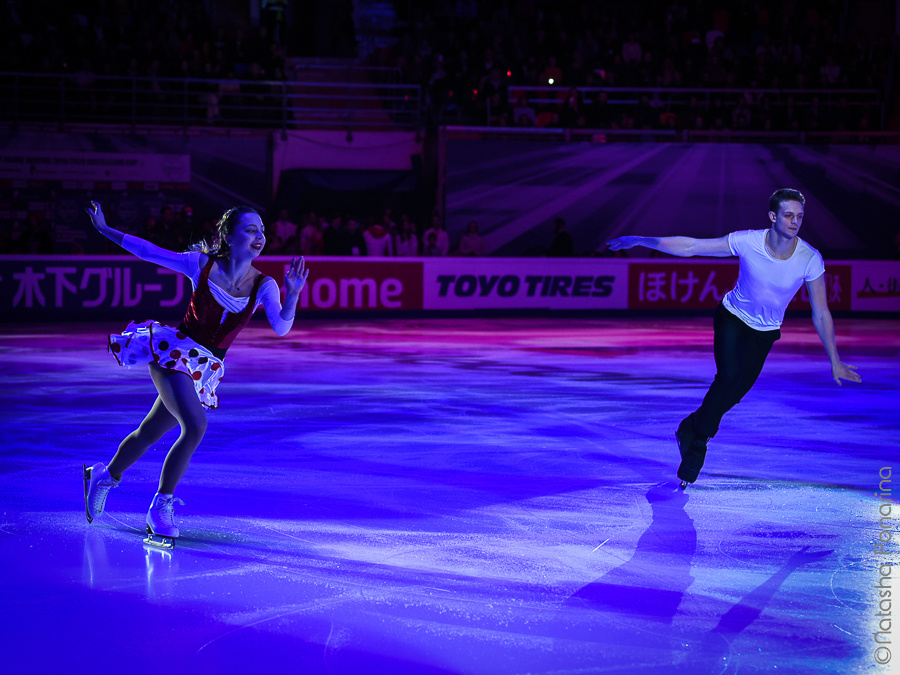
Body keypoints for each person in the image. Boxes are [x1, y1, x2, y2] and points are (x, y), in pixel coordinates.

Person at [82, 201, 309, 545]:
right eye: (250, 230)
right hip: (174, 353)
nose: (259, 236)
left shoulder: (265, 284)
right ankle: (160, 507)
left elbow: (281, 326)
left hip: (205, 369)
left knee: (148, 434)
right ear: (228, 237)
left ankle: (104, 476)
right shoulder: (200, 264)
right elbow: (148, 251)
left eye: (262, 230)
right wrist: (105, 229)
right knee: (195, 426)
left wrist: (292, 295)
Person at [606, 188, 861, 487]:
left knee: (735, 394)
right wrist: (643, 240)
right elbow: (692, 247)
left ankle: (690, 426)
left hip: (765, 332)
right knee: (728, 378)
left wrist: (835, 360)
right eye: (788, 215)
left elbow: (821, 313)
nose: (795, 222)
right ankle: (697, 443)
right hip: (731, 318)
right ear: (773, 216)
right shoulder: (748, 241)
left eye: (799, 216)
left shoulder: (809, 259)